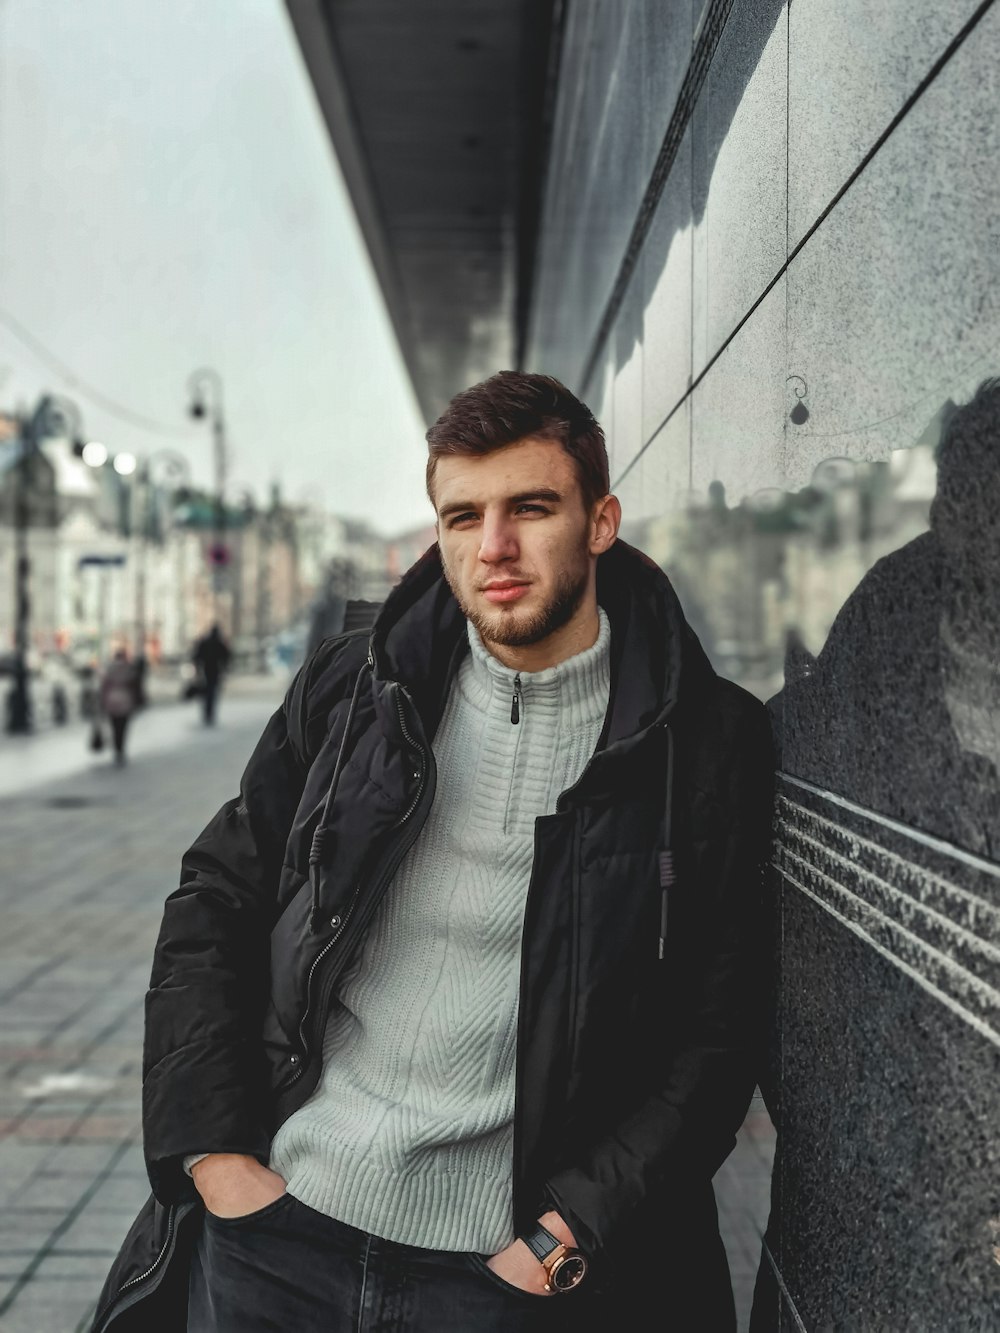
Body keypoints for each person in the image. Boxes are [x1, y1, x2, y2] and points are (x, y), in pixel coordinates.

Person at [93, 371, 775, 1333]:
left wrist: (571, 1230)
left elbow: (718, 1029)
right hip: (280, 1234)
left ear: (601, 520)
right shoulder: (355, 690)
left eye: (530, 507)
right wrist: (214, 1155)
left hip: (504, 1276)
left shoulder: (701, 743)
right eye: (463, 516)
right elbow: (216, 895)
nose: (492, 547)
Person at [99, 648, 142, 766]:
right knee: (123, 727)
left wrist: (102, 703)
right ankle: (121, 749)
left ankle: (117, 749)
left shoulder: (110, 669)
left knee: (114, 727)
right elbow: (135, 686)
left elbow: (105, 687)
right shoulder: (128, 669)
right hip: (126, 700)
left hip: (111, 701)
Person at [192, 623, 231, 726]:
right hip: (214, 671)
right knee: (212, 693)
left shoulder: (206, 642)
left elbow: (196, 656)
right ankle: (210, 714)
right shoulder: (219, 642)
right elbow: (227, 656)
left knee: (207, 693)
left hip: (206, 670)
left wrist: (198, 668)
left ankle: (207, 714)